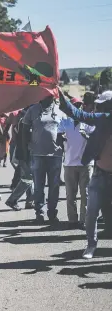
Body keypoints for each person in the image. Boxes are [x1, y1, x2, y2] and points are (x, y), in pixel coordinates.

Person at [57, 90, 112, 259]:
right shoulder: (102, 119)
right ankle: (91, 245)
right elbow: (77, 113)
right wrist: (59, 94)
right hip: (100, 174)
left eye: (103, 105)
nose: (99, 107)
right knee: (91, 212)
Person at [21, 95, 66, 224]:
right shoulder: (32, 110)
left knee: (54, 186)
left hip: (56, 155)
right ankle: (39, 212)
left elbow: (67, 131)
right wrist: (25, 151)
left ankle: (52, 213)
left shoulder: (60, 111)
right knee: (39, 186)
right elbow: (24, 131)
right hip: (37, 154)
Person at [58, 102, 95, 230]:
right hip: (69, 163)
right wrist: (60, 139)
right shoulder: (65, 122)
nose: (75, 110)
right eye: (73, 107)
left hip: (85, 164)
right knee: (70, 194)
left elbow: (96, 140)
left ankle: (84, 220)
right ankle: (72, 220)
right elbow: (58, 136)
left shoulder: (88, 123)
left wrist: (87, 136)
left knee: (86, 194)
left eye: (78, 107)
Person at [5, 106, 34, 211]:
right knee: (28, 178)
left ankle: (30, 201)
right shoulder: (25, 121)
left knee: (29, 178)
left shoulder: (25, 119)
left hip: (26, 153)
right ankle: (12, 200)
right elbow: (23, 140)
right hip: (25, 154)